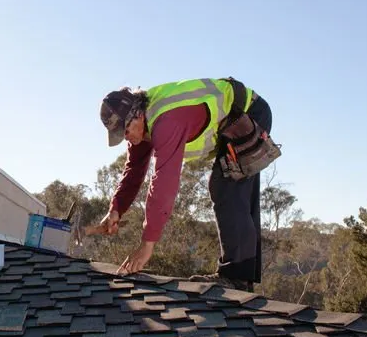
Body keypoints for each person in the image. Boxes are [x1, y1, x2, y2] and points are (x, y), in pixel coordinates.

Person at [97, 77, 278, 291]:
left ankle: (237, 278)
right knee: (231, 187)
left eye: (125, 131)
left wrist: (147, 244)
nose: (126, 138)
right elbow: (134, 168)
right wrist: (116, 208)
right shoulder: (143, 123)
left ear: (136, 114)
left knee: (225, 186)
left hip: (247, 112)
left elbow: (164, 183)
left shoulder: (166, 121)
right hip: (230, 119)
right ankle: (242, 276)